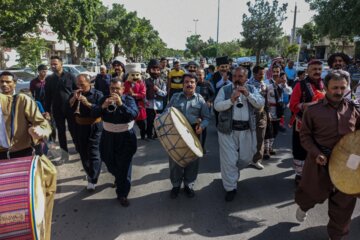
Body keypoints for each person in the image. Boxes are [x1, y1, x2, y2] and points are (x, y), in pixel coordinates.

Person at [295, 70, 360, 240]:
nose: (339, 92)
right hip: (320, 162)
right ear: (325, 87)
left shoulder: (354, 109)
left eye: (342, 88)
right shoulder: (313, 111)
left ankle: (337, 235)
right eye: (335, 88)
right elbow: (305, 136)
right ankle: (303, 206)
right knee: (311, 193)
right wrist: (316, 153)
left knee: (344, 204)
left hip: (347, 166)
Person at [0, 71, 57, 240]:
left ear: (14, 84)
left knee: (49, 177)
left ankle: (42, 234)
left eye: (8, 82)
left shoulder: (22, 100)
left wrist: (36, 133)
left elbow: (45, 126)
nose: (4, 85)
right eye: (1, 82)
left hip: (22, 157)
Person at [214, 67, 264, 201]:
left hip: (247, 130)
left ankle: (232, 173)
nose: (237, 79)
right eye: (235, 76)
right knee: (229, 160)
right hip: (227, 130)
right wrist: (231, 100)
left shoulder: (252, 89)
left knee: (247, 157)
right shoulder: (225, 89)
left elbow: (260, 104)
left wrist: (247, 95)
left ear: (246, 78)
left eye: (240, 76)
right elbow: (217, 106)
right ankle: (230, 187)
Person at [92, 79, 138, 207]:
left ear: (123, 89)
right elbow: (93, 113)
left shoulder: (128, 99)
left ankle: (122, 194)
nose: (114, 91)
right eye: (112, 88)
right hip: (108, 137)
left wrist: (121, 104)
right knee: (108, 160)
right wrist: (103, 106)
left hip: (126, 137)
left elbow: (134, 114)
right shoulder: (104, 99)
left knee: (125, 165)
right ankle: (119, 178)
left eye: (117, 89)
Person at [166, 73, 210, 199]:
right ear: (183, 84)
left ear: (196, 84)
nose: (189, 84)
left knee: (192, 160)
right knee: (175, 160)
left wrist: (202, 126)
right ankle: (175, 185)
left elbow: (207, 117)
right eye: (186, 82)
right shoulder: (175, 97)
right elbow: (166, 111)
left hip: (193, 132)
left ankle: (188, 185)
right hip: (176, 133)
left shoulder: (200, 99)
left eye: (192, 82)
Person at [289, 60, 325, 184]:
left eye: (319, 69)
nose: (317, 72)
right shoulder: (300, 85)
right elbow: (292, 105)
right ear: (308, 71)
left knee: (316, 148)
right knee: (300, 149)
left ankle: (312, 174)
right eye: (314, 69)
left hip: (319, 125)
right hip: (301, 123)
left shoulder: (324, 84)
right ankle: (299, 175)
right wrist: (309, 105)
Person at [69, 74, 103, 191]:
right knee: (82, 152)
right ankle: (90, 172)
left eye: (82, 84)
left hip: (94, 126)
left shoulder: (98, 94)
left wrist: (87, 103)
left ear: (89, 83)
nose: (79, 87)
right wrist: (74, 99)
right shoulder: (74, 94)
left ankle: (93, 179)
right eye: (78, 84)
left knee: (94, 152)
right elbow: (67, 109)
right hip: (79, 126)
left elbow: (100, 111)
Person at [44, 56, 77, 165]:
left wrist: (76, 102)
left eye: (55, 64)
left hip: (71, 109)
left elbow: (77, 91)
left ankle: (79, 149)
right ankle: (65, 156)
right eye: (51, 64)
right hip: (57, 110)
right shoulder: (49, 79)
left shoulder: (70, 76)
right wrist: (47, 110)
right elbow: (47, 96)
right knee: (61, 133)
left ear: (61, 64)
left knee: (74, 131)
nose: (53, 66)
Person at [264, 66, 292, 159]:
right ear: (271, 72)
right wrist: (276, 83)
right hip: (269, 109)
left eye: (278, 72)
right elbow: (265, 91)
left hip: (279, 110)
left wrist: (285, 84)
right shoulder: (268, 82)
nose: (276, 73)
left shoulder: (282, 83)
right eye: (274, 71)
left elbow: (289, 91)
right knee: (268, 131)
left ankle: (270, 147)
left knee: (275, 131)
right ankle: (266, 150)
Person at [247, 65, 268, 169]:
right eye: (260, 74)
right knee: (248, 137)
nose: (262, 75)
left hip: (261, 113)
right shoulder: (248, 85)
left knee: (260, 137)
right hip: (250, 114)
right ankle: (246, 158)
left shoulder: (264, 83)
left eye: (263, 73)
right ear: (254, 74)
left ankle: (256, 160)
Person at [145, 59, 167, 139]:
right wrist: (145, 101)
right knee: (149, 121)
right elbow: (144, 93)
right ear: (149, 70)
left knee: (158, 121)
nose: (156, 71)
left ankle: (157, 134)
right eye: (153, 69)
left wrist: (157, 90)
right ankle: (149, 135)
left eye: (158, 70)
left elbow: (164, 93)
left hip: (159, 105)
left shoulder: (162, 82)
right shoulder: (146, 81)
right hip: (149, 105)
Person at [123, 63, 147, 140]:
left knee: (142, 123)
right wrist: (128, 94)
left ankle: (143, 135)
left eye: (137, 74)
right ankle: (129, 137)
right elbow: (123, 93)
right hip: (129, 104)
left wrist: (134, 95)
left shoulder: (141, 83)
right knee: (129, 122)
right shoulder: (126, 84)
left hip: (140, 104)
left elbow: (143, 94)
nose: (135, 77)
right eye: (132, 75)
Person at [195, 68, 215, 153]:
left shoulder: (208, 84)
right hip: (195, 108)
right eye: (197, 74)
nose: (199, 76)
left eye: (200, 74)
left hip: (205, 108)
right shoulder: (194, 84)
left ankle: (202, 147)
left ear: (204, 75)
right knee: (195, 127)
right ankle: (195, 147)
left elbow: (213, 94)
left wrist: (210, 101)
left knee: (204, 128)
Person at [212, 56, 232, 126]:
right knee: (218, 112)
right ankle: (219, 126)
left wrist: (227, 80)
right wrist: (223, 80)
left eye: (226, 67)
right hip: (218, 96)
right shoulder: (215, 75)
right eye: (222, 67)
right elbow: (216, 85)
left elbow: (232, 85)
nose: (224, 69)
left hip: (229, 96)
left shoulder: (231, 74)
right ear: (218, 68)